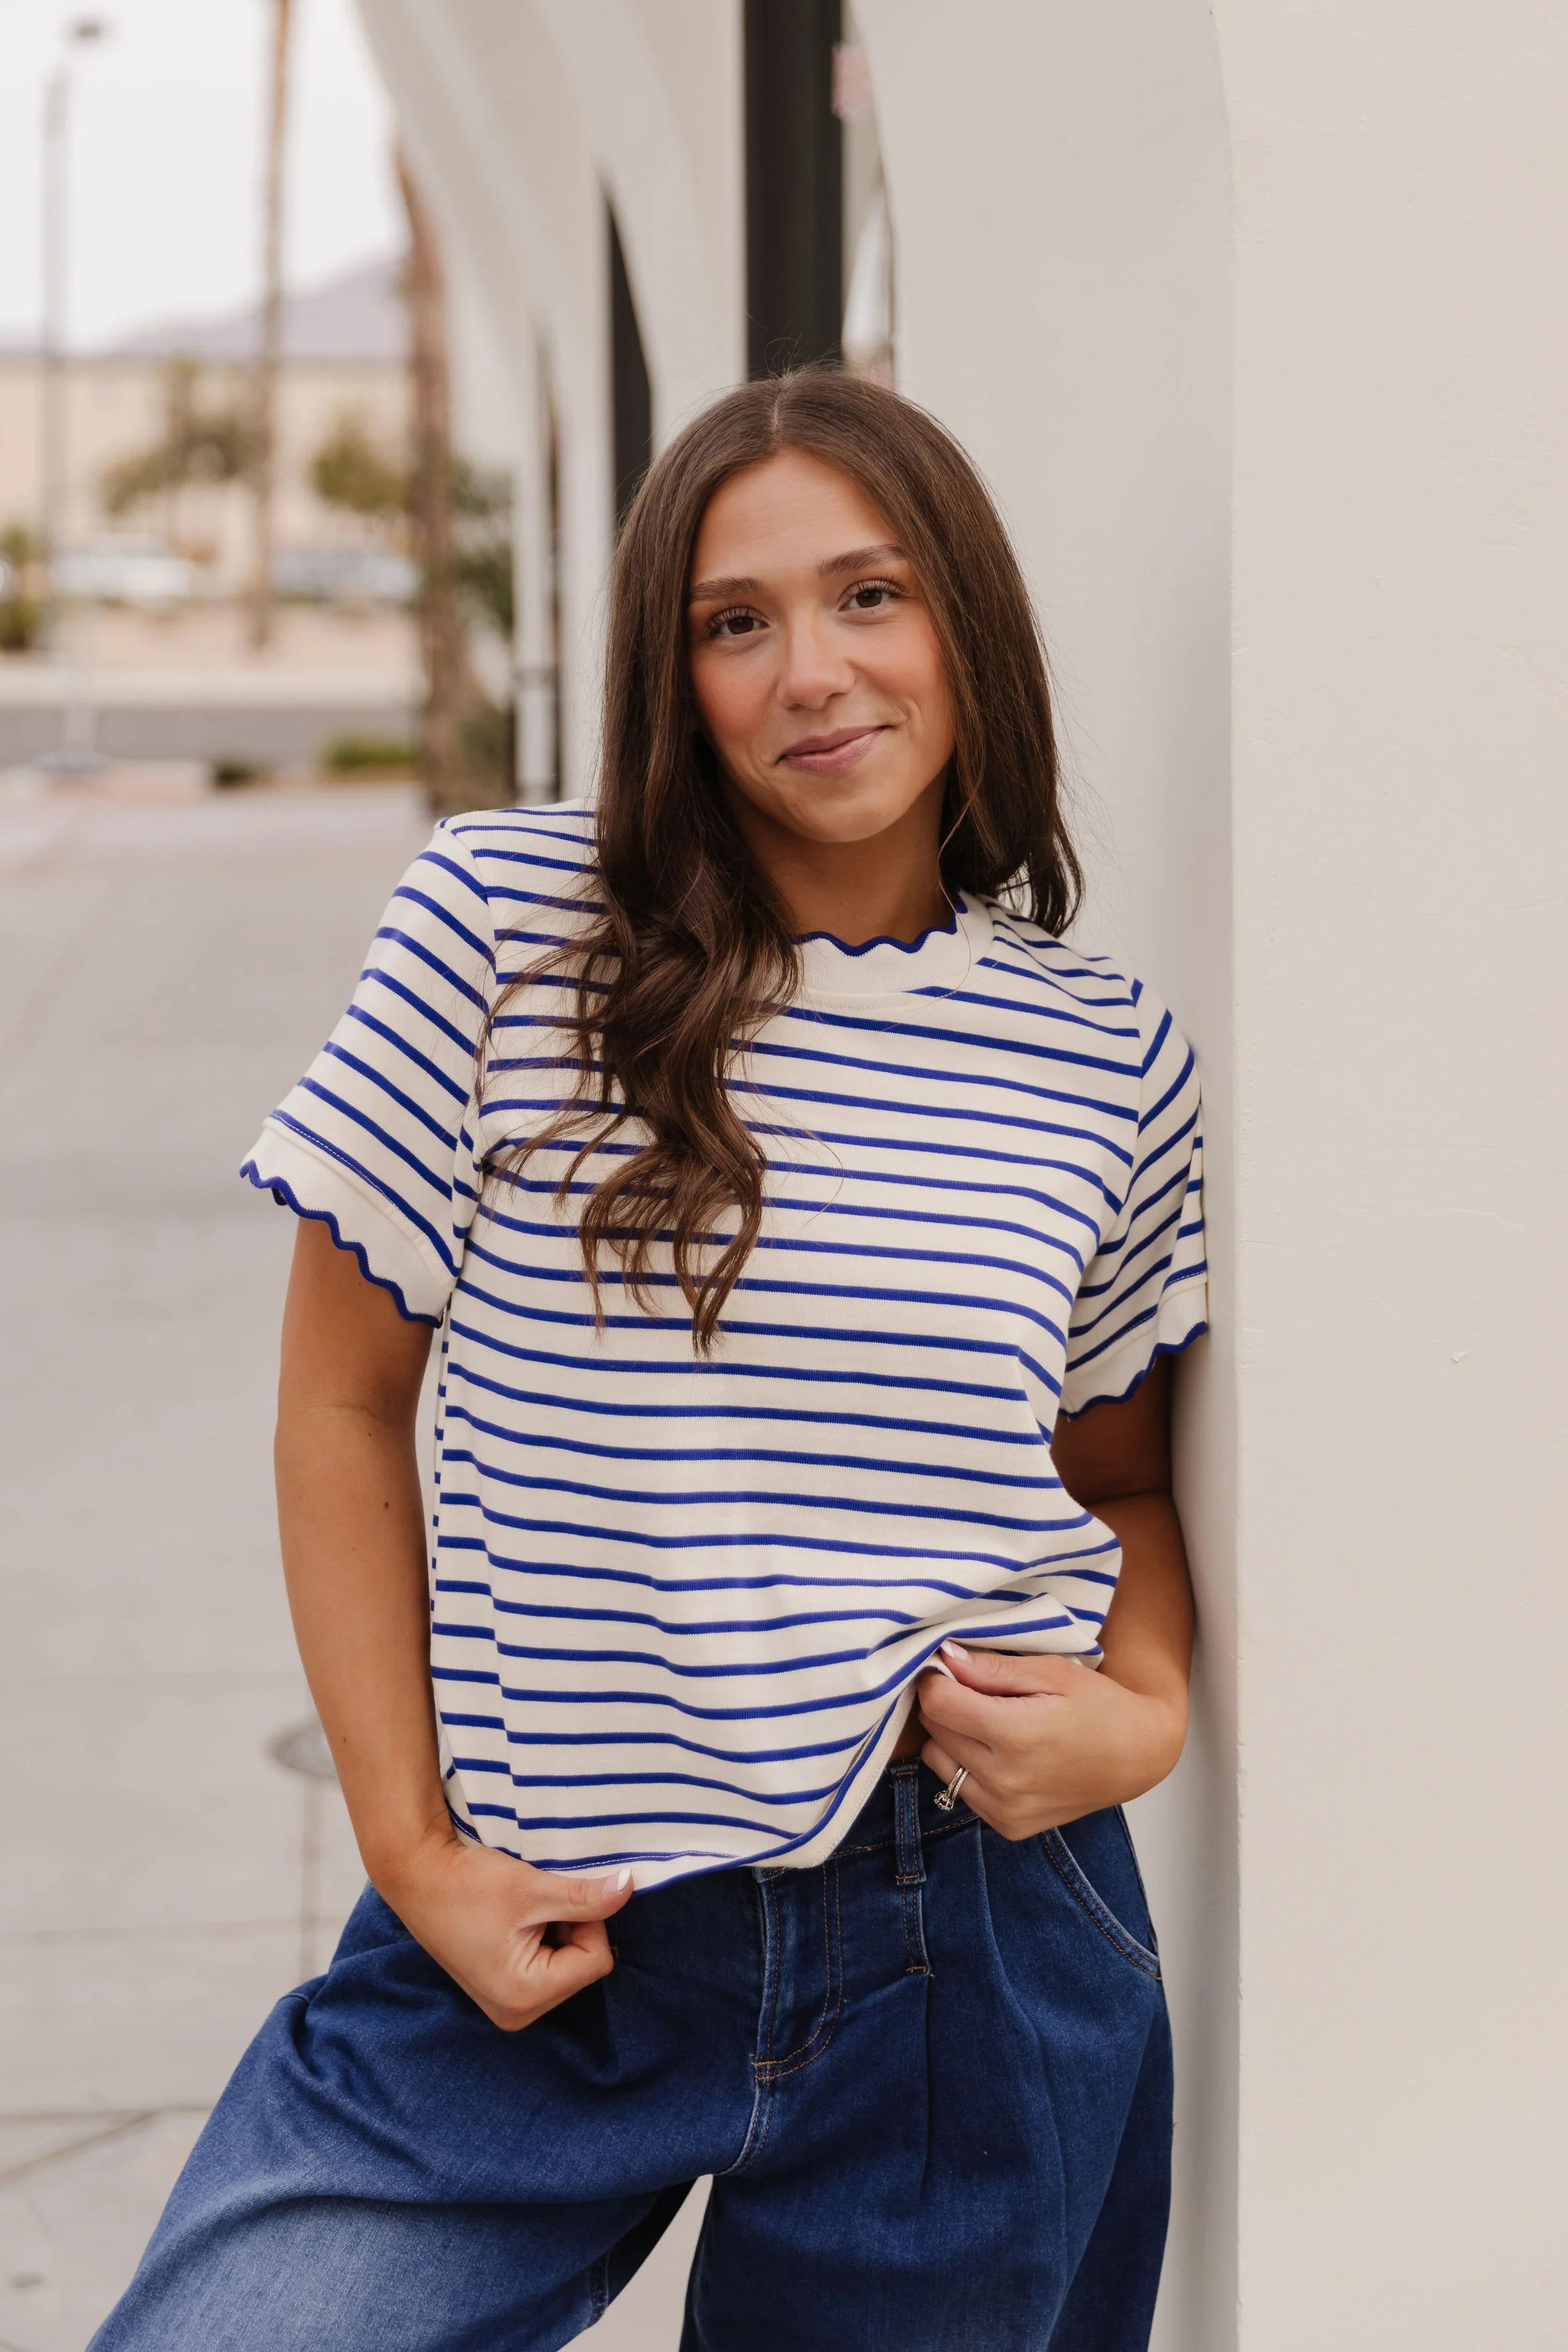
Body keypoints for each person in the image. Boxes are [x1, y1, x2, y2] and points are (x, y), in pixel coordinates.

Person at [93, 370, 1206, 2351]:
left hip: (973, 1952)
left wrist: (1148, 1712)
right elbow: (343, 1402)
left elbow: (1118, 1475)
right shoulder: (506, 927)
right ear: (670, 669)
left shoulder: (1104, 1054)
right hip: (549, 1926)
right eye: (735, 620)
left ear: (968, 620)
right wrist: (409, 1847)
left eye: (871, 595)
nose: (811, 672)